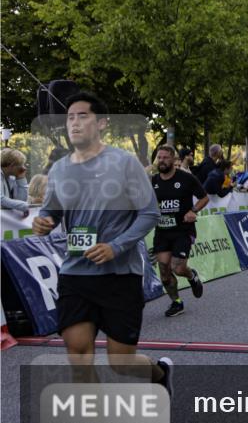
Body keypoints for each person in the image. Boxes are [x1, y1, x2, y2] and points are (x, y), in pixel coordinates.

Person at [32, 92, 171, 391]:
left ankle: (159, 375)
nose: (74, 123)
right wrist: (44, 220)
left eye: (83, 116)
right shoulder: (59, 170)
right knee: (79, 355)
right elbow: (51, 210)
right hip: (75, 273)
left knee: (121, 364)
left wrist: (116, 246)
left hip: (119, 276)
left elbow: (149, 213)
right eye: (70, 117)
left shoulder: (124, 163)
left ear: (103, 124)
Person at [150, 144, 208, 317]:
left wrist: (193, 211)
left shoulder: (186, 178)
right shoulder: (152, 181)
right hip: (162, 232)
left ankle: (192, 276)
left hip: (183, 230)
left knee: (178, 268)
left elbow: (204, 197)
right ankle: (176, 302)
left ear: (174, 160)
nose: (161, 161)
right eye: (159, 158)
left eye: (165, 157)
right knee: (164, 272)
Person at [1, 148, 30, 217]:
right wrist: (23, 206)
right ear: (12, 165)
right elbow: (1, 199)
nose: (24, 168)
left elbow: (21, 200)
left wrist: (21, 179)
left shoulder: (12, 178)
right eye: (21, 165)